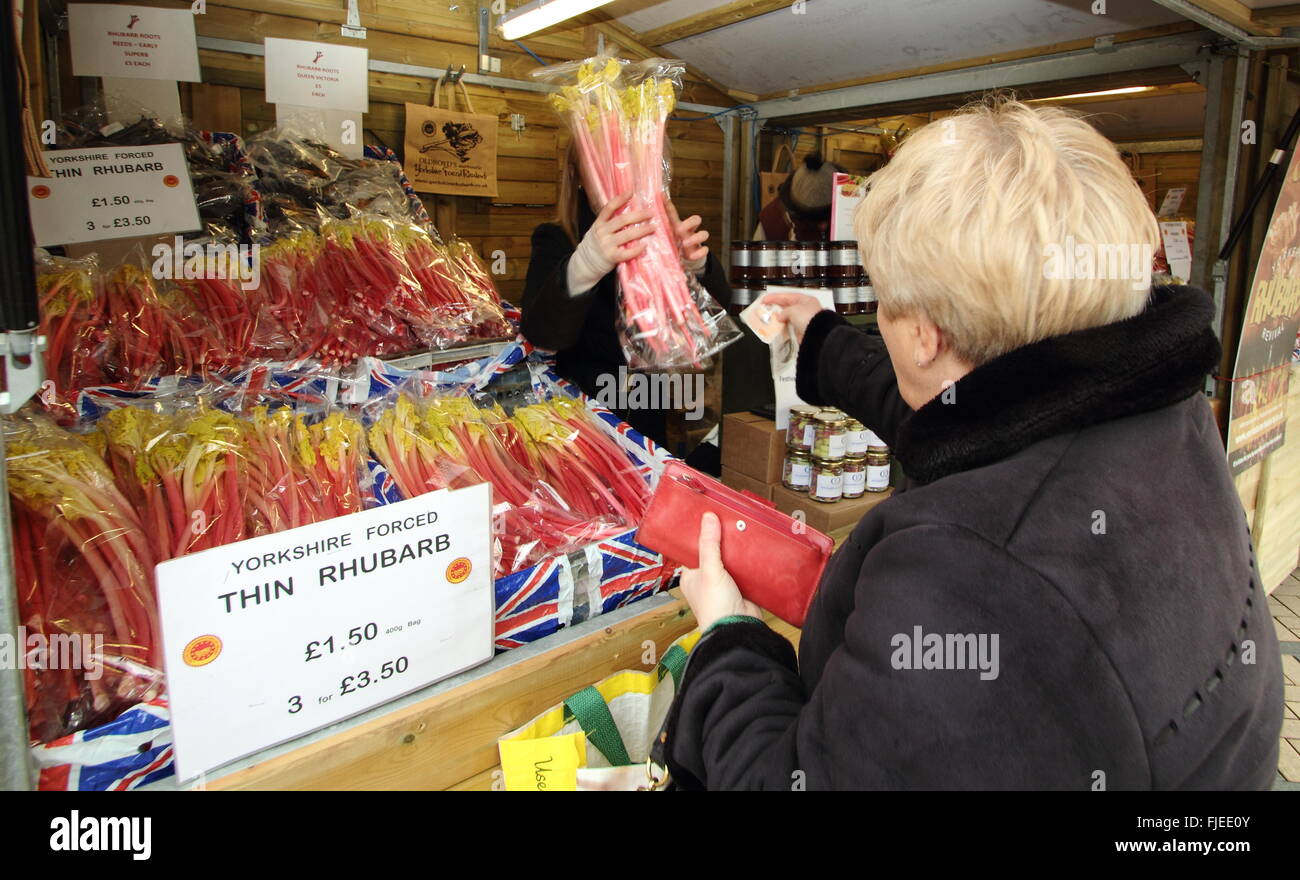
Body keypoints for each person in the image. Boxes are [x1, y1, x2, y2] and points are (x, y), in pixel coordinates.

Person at [659, 97, 1284, 790]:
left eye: (887, 302)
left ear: (924, 335)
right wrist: (826, 342)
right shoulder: (1159, 411)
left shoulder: (968, 577)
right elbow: (981, 413)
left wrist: (727, 642)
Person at [520, 145, 732, 468]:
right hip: (584, 426)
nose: (623, 175)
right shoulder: (557, 239)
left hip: (650, 417)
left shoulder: (660, 235)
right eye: (609, 164)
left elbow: (716, 314)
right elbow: (542, 333)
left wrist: (699, 269)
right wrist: (584, 266)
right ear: (580, 176)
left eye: (635, 164)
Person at [754, 152, 845, 241]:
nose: (823, 226)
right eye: (815, 222)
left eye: (828, 217)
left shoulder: (848, 214)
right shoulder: (771, 219)